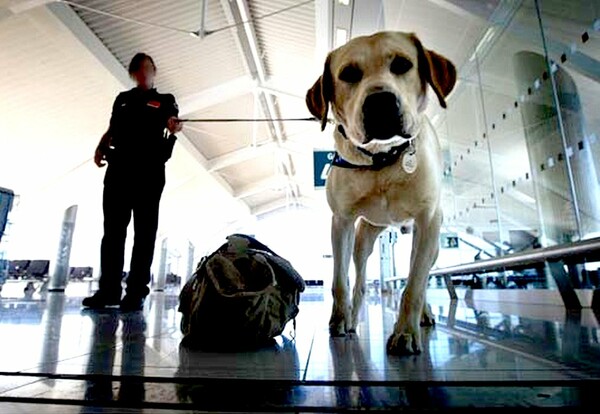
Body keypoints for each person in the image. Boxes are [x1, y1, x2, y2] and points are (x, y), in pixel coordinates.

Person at [83, 53, 182, 311]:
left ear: (154, 71)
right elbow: (112, 127)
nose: (142, 73)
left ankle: (136, 292)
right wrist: (101, 146)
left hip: (148, 173)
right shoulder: (123, 99)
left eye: (147, 68)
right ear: (133, 73)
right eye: (137, 69)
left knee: (144, 234)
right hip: (119, 171)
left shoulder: (164, 101)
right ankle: (109, 290)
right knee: (113, 233)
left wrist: (173, 126)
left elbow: (172, 120)